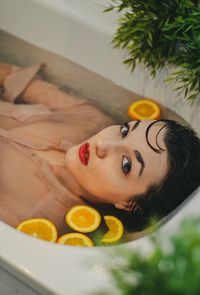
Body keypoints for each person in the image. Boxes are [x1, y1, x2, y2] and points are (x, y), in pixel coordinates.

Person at [0, 63, 199, 238]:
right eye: (124, 131)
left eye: (126, 164)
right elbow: (14, 76)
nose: (103, 144)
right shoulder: (92, 121)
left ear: (130, 204)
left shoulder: (34, 219)